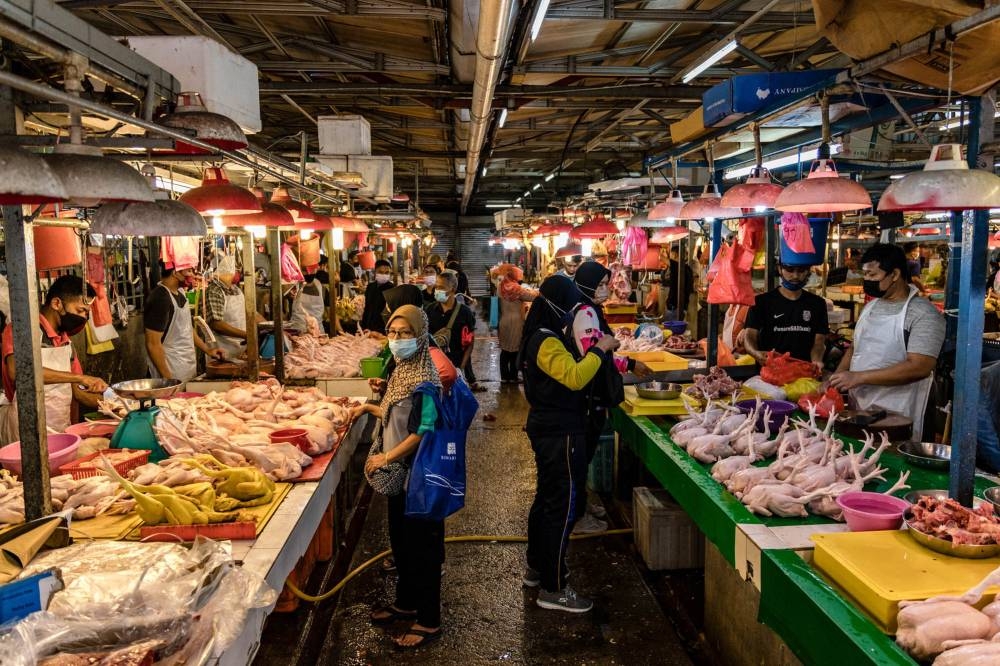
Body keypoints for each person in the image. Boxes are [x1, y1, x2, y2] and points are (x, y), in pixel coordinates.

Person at [520, 275, 620, 613]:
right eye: (569, 303)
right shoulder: (544, 340)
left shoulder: (546, 335)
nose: (573, 310)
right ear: (552, 305)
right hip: (559, 430)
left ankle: (538, 569)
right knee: (561, 507)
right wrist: (601, 350)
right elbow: (575, 378)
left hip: (552, 427)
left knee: (547, 500)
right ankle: (554, 588)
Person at [351, 305, 444, 649]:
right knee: (402, 544)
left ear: (420, 335)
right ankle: (406, 602)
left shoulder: (425, 378)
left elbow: (425, 427)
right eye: (392, 332)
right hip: (399, 477)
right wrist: (369, 407)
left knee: (424, 550)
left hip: (419, 477)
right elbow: (396, 414)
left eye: (405, 333)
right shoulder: (403, 370)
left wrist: (386, 456)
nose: (397, 339)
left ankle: (429, 620)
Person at [829, 243, 945, 440]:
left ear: (895, 274)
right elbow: (856, 347)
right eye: (864, 275)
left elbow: (919, 366)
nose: (867, 280)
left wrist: (858, 377)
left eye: (873, 275)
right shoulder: (870, 307)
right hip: (861, 408)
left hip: (901, 411)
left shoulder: (923, 314)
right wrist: (838, 377)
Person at [570, 261, 650, 533]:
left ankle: (581, 503)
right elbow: (594, 355)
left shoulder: (590, 310)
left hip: (592, 396)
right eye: (602, 284)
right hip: (587, 398)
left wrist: (626, 363)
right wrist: (626, 364)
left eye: (607, 284)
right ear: (587, 284)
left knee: (586, 453)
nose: (606, 289)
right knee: (580, 458)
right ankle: (577, 516)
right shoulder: (585, 313)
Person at [1, 276, 107, 441]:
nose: (84, 318)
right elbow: (19, 372)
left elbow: (78, 393)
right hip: (24, 430)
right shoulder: (21, 329)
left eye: (87, 313)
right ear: (57, 304)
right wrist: (80, 377)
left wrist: (114, 402)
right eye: (80, 311)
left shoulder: (65, 341)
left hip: (60, 428)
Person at [145, 263, 225, 381]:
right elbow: (153, 344)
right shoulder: (160, 298)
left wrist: (208, 350)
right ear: (176, 273)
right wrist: (168, 379)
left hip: (186, 367)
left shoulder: (181, 292)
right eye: (189, 271)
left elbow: (186, 328)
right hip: (169, 369)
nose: (192, 275)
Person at [744, 263, 829, 372]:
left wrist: (816, 360)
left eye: (801, 270)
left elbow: (819, 342)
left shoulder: (818, 304)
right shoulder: (761, 302)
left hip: (803, 373)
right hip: (770, 373)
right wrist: (755, 353)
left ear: (808, 271)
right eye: (790, 270)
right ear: (780, 269)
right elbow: (749, 335)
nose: (795, 276)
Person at [426, 270, 476, 385]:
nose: (437, 290)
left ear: (453, 289)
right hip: (434, 368)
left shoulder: (465, 312)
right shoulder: (429, 310)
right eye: (436, 287)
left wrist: (461, 368)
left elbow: (470, 343)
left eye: (442, 287)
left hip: (456, 366)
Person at [206, 255, 262, 358]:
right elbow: (216, 324)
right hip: (222, 351)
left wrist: (269, 327)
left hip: (241, 349)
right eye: (236, 270)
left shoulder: (236, 289)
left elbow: (251, 312)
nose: (238, 274)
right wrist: (246, 335)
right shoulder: (215, 290)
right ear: (228, 271)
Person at [495, 265, 536, 383]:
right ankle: (513, 377)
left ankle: (504, 377)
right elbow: (532, 297)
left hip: (504, 321)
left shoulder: (500, 286)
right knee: (514, 351)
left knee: (505, 350)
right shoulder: (517, 289)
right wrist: (534, 291)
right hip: (516, 322)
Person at [360, 259, 394, 334]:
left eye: (387, 273)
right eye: (381, 272)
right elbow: (367, 308)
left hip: (383, 329)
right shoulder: (370, 287)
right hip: (368, 328)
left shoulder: (393, 289)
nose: (384, 275)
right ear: (375, 272)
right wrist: (363, 327)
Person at [664, 247, 695, 321]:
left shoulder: (677, 266)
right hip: (683, 307)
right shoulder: (688, 269)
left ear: (675, 255)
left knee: (671, 331)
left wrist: (662, 251)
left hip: (674, 308)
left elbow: (661, 258)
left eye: (671, 254)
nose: (670, 256)